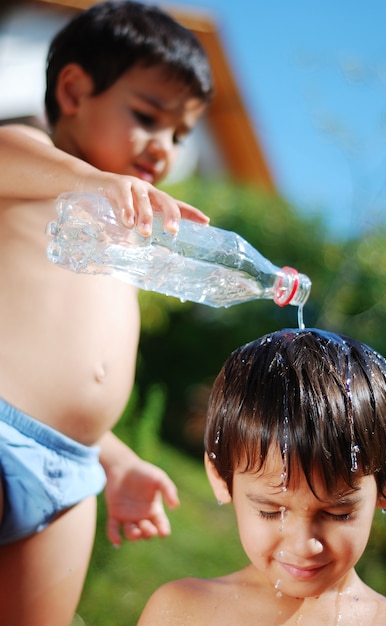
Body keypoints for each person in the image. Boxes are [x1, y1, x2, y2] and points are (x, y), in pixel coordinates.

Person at [0, 2, 213, 625]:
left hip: (74, 468)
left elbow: (74, 370)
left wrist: (115, 461)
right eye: (147, 116)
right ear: (72, 90)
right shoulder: (32, 157)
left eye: (178, 134)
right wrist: (87, 181)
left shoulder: (121, 236)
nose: (163, 148)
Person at [137, 328, 386, 625]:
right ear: (221, 479)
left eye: (337, 513)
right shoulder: (182, 612)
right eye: (271, 511)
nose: (303, 545)